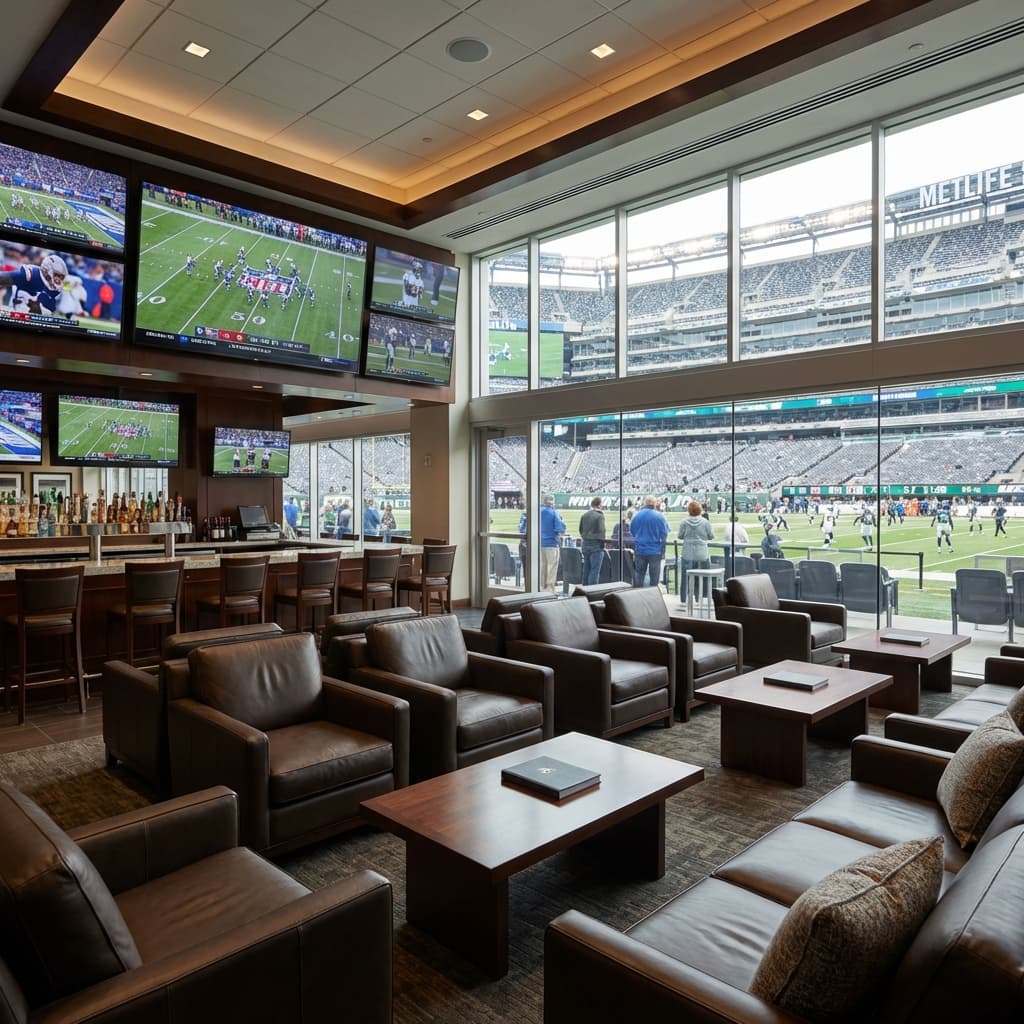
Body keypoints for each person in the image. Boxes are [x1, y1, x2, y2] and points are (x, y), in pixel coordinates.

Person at [0, 253, 68, 313]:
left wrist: (39, 309)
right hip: (15, 311)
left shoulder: (56, 290)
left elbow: (51, 311)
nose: (58, 280)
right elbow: (2, 278)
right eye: (57, 276)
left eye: (61, 277)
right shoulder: (29, 275)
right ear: (47, 270)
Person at [677, 499, 714, 598]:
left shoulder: (684, 522)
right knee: (702, 577)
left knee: (685, 577)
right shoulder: (705, 522)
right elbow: (711, 536)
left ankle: (684, 598)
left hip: (687, 552)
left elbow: (680, 536)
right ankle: (701, 597)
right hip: (702, 552)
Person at [630, 495, 669, 589]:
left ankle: (637, 596)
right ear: (655, 504)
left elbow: (632, 531)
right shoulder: (659, 516)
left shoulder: (637, 516)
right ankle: (652, 598)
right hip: (654, 550)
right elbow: (664, 534)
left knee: (639, 575)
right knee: (654, 578)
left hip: (640, 549)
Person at [539, 495, 566, 593]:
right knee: (552, 567)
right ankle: (549, 589)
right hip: (551, 543)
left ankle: (540, 587)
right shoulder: (554, 512)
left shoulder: (538, 512)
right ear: (551, 502)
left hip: (540, 543)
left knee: (542, 566)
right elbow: (560, 529)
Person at [578, 496, 606, 586]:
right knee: (594, 571)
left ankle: (584, 590)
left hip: (585, 544)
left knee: (586, 570)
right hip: (596, 545)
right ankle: (592, 592)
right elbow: (602, 531)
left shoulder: (584, 515)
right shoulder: (599, 516)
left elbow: (580, 529)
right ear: (599, 505)